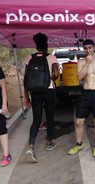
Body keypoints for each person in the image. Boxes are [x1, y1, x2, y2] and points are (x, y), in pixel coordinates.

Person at [68, 39, 95, 157]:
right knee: (78, 121)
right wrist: (87, 64)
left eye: (90, 48)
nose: (88, 50)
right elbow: (79, 77)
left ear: (94, 48)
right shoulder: (81, 62)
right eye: (86, 48)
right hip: (86, 93)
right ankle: (79, 144)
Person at [24, 32, 59, 163]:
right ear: (46, 45)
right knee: (50, 117)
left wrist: (26, 96)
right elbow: (56, 73)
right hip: (48, 90)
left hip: (34, 92)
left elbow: (25, 79)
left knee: (36, 119)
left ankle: (31, 146)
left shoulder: (29, 58)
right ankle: (49, 142)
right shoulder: (51, 57)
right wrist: (50, 79)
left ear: (36, 45)